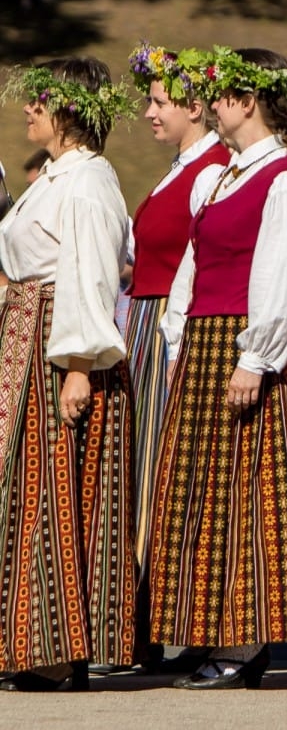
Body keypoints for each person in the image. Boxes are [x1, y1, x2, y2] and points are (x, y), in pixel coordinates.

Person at [147, 46, 287, 690]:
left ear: (248, 102)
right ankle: (211, 629)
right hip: (206, 342)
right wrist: (179, 341)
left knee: (247, 492)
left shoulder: (282, 180)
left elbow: (281, 278)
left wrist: (255, 357)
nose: (213, 102)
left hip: (249, 346)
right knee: (203, 490)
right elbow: (192, 270)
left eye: (222, 93)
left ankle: (244, 641)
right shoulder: (217, 176)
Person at [0, 56, 137, 690]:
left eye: (40, 100)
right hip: (30, 339)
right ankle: (30, 641)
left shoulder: (88, 182)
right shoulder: (56, 178)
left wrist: (78, 368)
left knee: (55, 496)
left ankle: (56, 648)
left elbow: (91, 276)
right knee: (28, 494)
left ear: (70, 111)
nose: (28, 109)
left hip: (61, 350)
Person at [125, 43, 231, 673]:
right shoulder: (181, 167)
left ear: (196, 106)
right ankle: (150, 619)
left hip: (172, 330)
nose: (148, 112)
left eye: (160, 101)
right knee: (146, 475)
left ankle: (176, 620)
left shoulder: (212, 169)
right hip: (145, 325)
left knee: (169, 477)